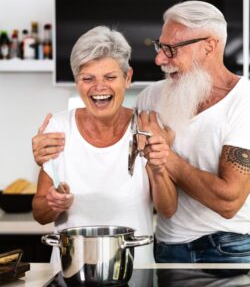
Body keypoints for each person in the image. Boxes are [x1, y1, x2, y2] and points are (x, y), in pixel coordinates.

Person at [136, 0, 250, 263]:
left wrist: (166, 155)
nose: (159, 58)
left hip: (229, 247)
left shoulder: (248, 103)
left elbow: (229, 201)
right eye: (159, 46)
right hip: (167, 248)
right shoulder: (149, 99)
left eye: (171, 49)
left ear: (209, 46)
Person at [31, 25, 177, 266]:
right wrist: (53, 203)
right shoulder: (58, 128)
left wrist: (159, 166)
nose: (99, 88)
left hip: (134, 270)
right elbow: (39, 214)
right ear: (77, 81)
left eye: (110, 77)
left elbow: (168, 209)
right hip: (71, 271)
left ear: (127, 78)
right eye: (88, 78)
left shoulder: (145, 125)